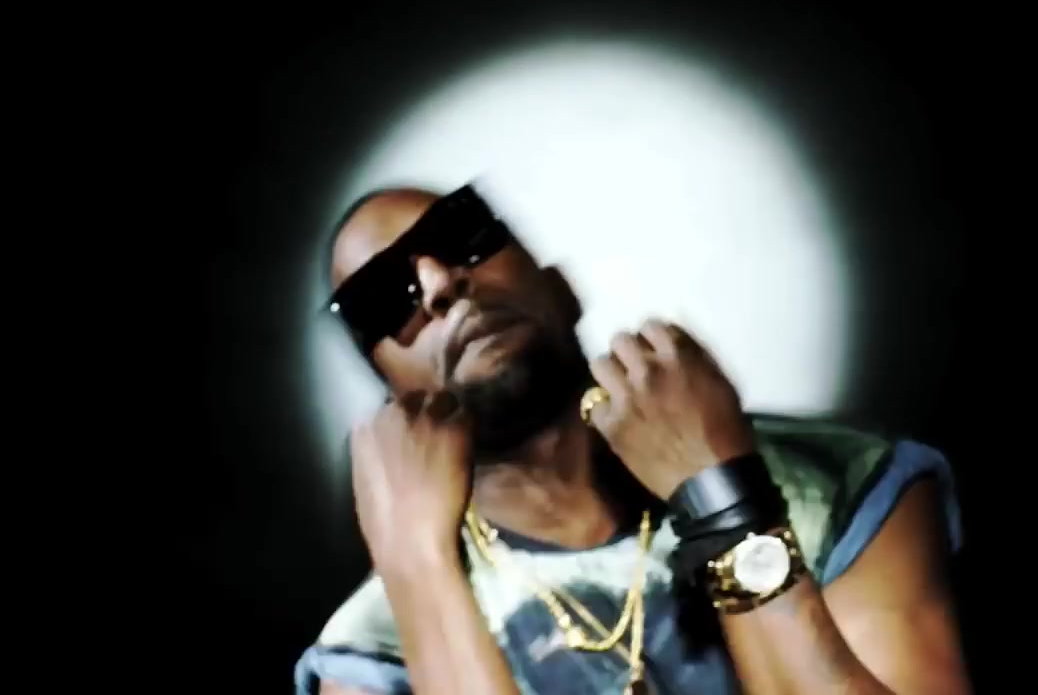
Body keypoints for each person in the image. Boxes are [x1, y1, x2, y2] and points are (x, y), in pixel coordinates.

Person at [295, 183, 971, 695]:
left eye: (461, 233)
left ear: (562, 289)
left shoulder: (836, 485)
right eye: (383, 297)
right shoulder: (374, 650)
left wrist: (723, 499)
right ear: (393, 400)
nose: (441, 283)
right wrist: (416, 565)